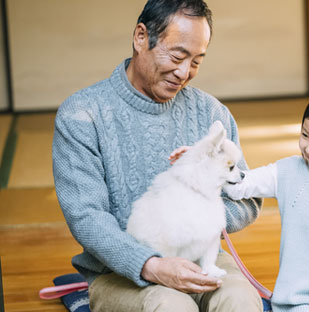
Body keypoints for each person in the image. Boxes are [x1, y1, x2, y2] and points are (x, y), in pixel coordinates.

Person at [52, 0, 263, 311]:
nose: (183, 72)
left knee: (240, 300)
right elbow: (86, 217)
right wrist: (150, 264)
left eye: (196, 61)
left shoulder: (211, 113)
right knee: (171, 306)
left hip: (203, 257)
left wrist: (194, 221)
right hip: (121, 271)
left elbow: (248, 198)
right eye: (177, 56)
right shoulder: (83, 115)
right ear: (140, 37)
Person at [172, 85, 309, 311]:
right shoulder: (288, 172)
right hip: (302, 298)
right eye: (305, 135)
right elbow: (241, 186)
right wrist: (205, 162)